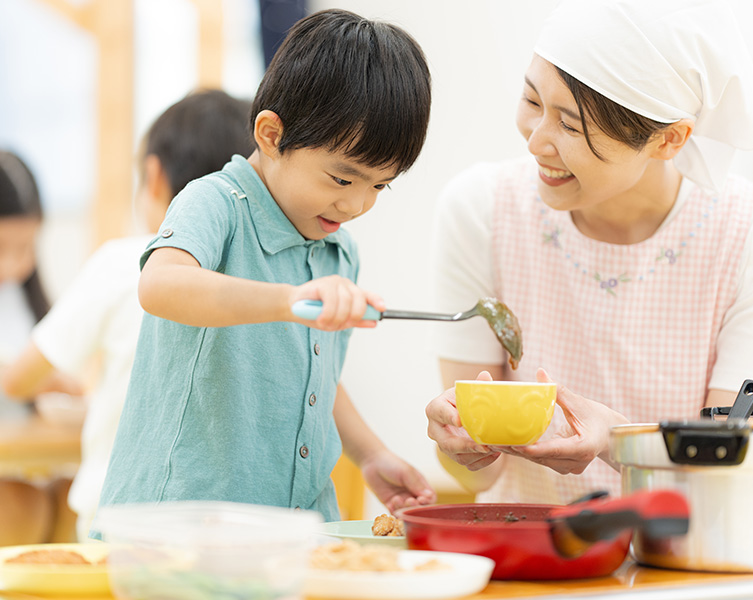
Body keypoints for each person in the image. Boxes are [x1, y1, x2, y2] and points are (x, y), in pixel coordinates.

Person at [426, 0, 753, 506]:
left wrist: (618, 440)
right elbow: (477, 479)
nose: (536, 143)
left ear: (669, 139)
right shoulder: (482, 210)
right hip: (534, 571)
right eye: (532, 101)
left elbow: (727, 481)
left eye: (572, 126)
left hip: (682, 572)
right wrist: (458, 444)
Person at [92, 8, 435, 534]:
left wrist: (369, 454)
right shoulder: (215, 203)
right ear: (272, 134)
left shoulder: (336, 251)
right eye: (343, 179)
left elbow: (314, 374)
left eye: (379, 185)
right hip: (177, 531)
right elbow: (160, 285)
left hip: (288, 535)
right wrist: (286, 300)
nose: (357, 205)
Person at [1, 89, 254, 541]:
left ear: (153, 177)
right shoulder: (260, 281)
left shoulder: (124, 262)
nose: (17, 264)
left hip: (118, 513)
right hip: (233, 519)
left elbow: (19, 378)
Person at [0, 150, 83, 545]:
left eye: (27, 247)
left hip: (30, 459)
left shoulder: (21, 297)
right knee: (22, 506)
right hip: (13, 472)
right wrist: (27, 379)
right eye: (3, 248)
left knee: (76, 499)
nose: (16, 265)